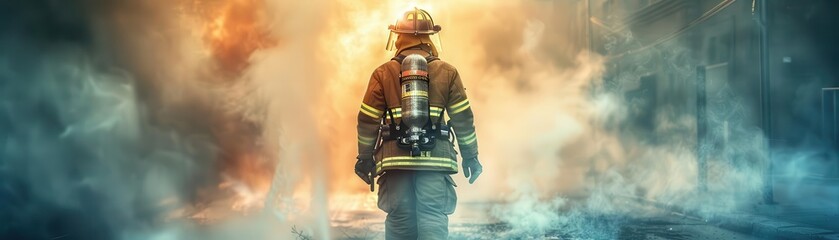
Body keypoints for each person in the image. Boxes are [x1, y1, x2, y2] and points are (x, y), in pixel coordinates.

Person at [354, 7, 483, 240]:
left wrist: (364, 158)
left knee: (400, 219)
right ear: (430, 37)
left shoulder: (382, 73)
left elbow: (367, 120)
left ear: (397, 36)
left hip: (395, 160)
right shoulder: (447, 72)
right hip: (435, 159)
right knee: (433, 216)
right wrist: (470, 156)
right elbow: (463, 118)